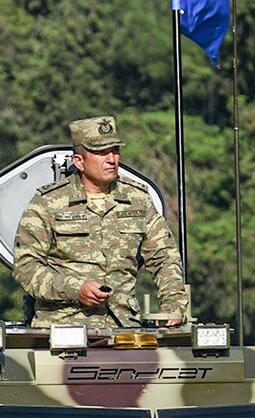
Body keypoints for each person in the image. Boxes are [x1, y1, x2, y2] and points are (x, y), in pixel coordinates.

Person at [12, 115, 187, 328]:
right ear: (79, 161)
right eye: (101, 152)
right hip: (62, 330)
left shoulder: (137, 199)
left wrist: (173, 305)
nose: (112, 159)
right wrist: (75, 289)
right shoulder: (48, 202)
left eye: (115, 151)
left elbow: (165, 256)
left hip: (123, 329)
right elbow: (26, 266)